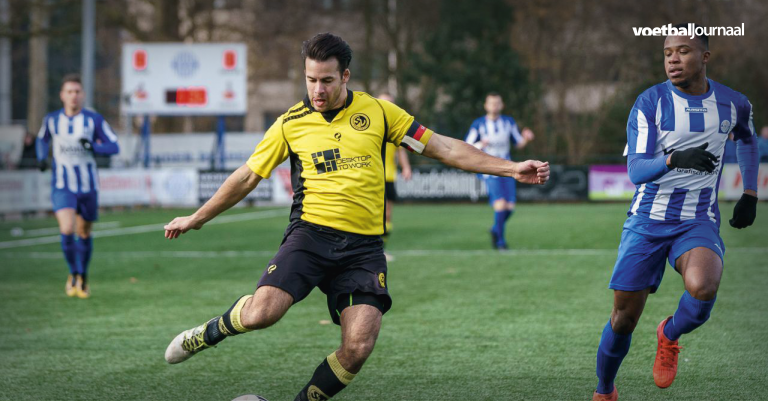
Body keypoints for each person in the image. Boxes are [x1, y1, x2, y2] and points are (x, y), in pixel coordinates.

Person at [163, 33, 550, 401]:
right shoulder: (290, 123)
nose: (317, 90)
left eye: (327, 80)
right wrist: (197, 217)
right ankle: (209, 332)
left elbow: (443, 147)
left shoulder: (379, 112)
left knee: (359, 345)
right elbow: (247, 175)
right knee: (263, 313)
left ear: (345, 75)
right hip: (310, 236)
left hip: (363, 248)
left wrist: (510, 167)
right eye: (311, 79)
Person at [592, 25, 759, 401]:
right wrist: (672, 159)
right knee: (623, 320)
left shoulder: (734, 103)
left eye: (683, 51)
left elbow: (747, 138)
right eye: (668, 52)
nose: (672, 59)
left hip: (696, 219)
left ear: (705, 57)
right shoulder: (649, 103)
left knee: (703, 288)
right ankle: (605, 390)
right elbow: (635, 171)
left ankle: (668, 334)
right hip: (647, 220)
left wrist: (750, 191)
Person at [36, 74, 120, 299]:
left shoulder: (93, 120)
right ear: (62, 95)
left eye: (77, 91)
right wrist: (41, 157)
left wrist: (93, 146)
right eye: (69, 92)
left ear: (82, 95)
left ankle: (83, 276)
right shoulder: (52, 120)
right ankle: (73, 273)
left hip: (88, 186)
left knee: (84, 232)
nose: (73, 96)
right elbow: (41, 139)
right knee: (66, 229)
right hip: (63, 186)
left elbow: (114, 146)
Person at [465, 92, 534, 250]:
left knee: (510, 207)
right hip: (489, 170)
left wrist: (526, 138)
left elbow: (518, 143)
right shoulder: (479, 124)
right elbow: (466, 146)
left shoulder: (508, 122)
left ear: (501, 105)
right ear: (486, 105)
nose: (494, 106)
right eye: (491, 103)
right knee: (500, 204)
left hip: (508, 168)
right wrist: (480, 144)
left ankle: (496, 228)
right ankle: (500, 242)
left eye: (497, 103)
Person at [377, 92, 412, 261]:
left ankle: (381, 249)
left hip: (389, 175)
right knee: (376, 214)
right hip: (372, 176)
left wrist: (406, 167)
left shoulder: (394, 126)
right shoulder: (369, 125)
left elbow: (401, 149)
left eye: (390, 102)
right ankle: (373, 250)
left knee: (387, 214)